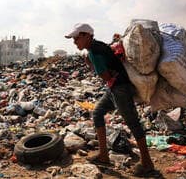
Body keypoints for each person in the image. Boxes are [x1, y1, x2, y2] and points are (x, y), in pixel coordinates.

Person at [65, 23, 155, 176]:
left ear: (87, 36)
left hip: (120, 88)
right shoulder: (99, 46)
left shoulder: (94, 51)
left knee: (133, 122)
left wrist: (92, 65)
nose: (75, 42)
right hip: (115, 87)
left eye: (76, 38)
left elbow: (105, 76)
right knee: (98, 112)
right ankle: (104, 155)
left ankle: (147, 163)